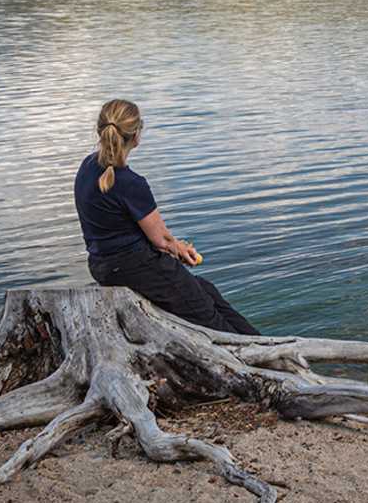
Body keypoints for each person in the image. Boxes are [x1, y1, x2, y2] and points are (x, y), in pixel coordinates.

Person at [73, 98, 259, 335]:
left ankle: (264, 343)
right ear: (137, 135)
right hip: (135, 266)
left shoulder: (87, 167)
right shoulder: (130, 183)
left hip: (103, 265)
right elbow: (162, 240)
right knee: (207, 316)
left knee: (205, 289)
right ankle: (250, 360)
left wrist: (174, 248)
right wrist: (181, 250)